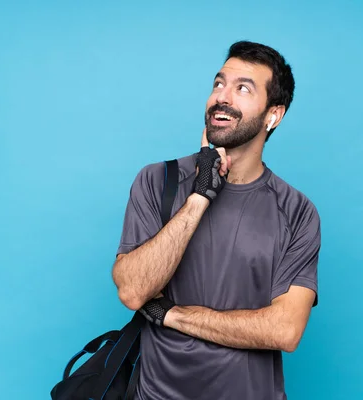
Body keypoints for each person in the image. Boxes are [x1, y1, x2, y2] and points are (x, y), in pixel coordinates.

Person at [112, 40, 321, 400]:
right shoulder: (157, 181)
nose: (222, 97)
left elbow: (285, 330)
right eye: (218, 84)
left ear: (274, 115)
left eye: (243, 88)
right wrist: (199, 195)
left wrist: (174, 315)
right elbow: (133, 291)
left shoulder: (297, 211)